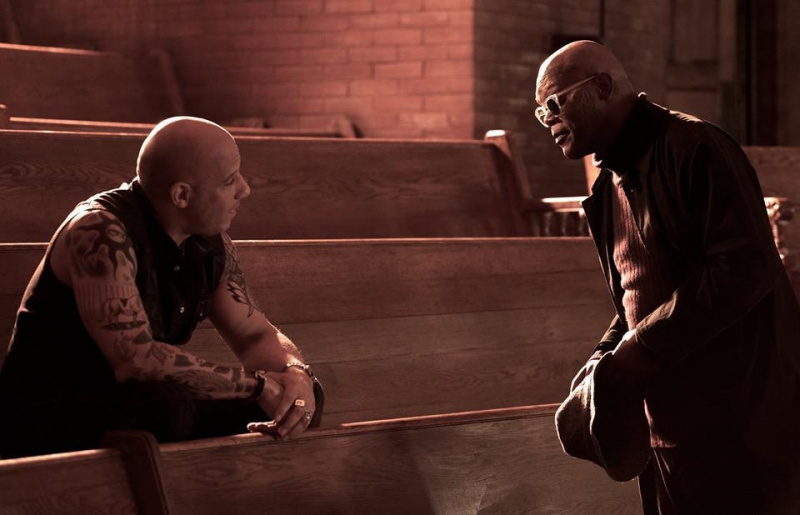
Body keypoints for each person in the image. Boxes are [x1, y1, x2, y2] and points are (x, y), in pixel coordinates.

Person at [537, 41, 800, 513]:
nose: (549, 121)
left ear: (602, 86)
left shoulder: (695, 147)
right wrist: (606, 358)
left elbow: (744, 266)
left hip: (743, 425)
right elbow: (637, 298)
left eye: (555, 103)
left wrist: (640, 348)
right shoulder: (607, 188)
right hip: (668, 428)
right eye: (542, 113)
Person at [0, 117, 323, 458]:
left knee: (295, 406)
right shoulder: (100, 232)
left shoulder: (208, 241)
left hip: (136, 406)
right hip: (45, 417)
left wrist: (294, 374)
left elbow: (253, 334)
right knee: (167, 404)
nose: (245, 189)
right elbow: (137, 361)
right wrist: (258, 386)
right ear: (181, 194)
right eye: (230, 181)